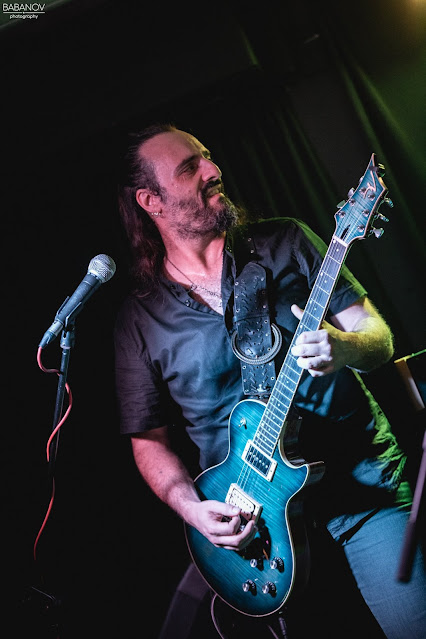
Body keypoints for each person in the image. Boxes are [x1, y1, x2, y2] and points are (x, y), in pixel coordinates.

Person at [114, 123, 425, 639]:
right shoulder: (139, 319)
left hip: (363, 490)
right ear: (152, 201)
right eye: (189, 168)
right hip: (256, 529)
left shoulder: (286, 240)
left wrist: (344, 347)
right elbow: (148, 441)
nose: (213, 170)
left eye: (207, 156)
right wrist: (191, 509)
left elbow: (378, 338)